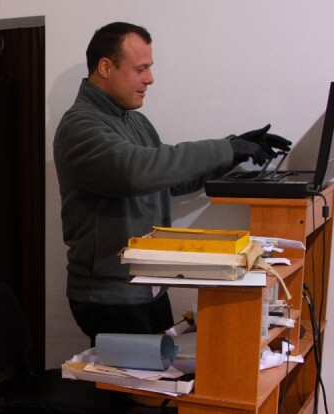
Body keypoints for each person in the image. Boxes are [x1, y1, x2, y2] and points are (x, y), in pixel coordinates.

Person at [53, 22, 292, 345]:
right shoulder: (80, 127)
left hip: (146, 286)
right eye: (141, 69)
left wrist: (233, 153)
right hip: (111, 296)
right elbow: (136, 172)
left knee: (159, 386)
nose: (150, 79)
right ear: (106, 68)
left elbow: (170, 180)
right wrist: (225, 147)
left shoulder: (133, 121)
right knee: (135, 393)